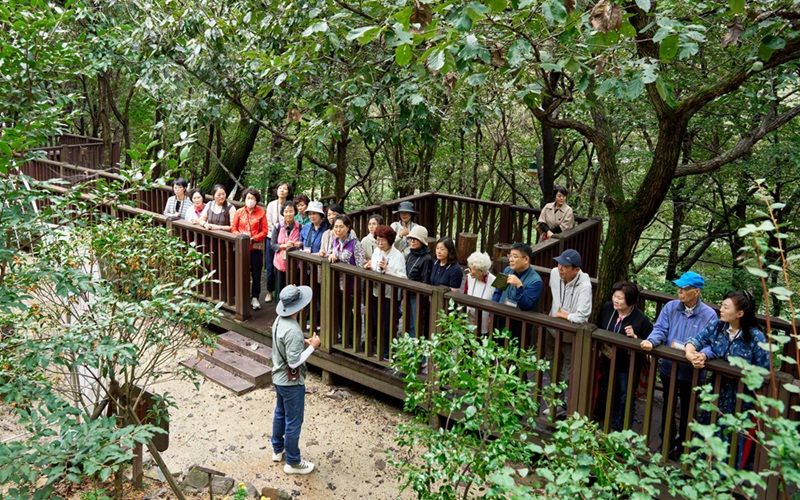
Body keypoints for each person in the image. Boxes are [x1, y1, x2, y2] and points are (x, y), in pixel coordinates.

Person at [685, 290, 770, 469]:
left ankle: (728, 479)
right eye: (722, 305)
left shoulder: (756, 337)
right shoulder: (718, 327)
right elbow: (695, 341)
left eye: (726, 307)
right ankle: (700, 472)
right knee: (706, 431)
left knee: (733, 440)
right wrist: (692, 355)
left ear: (740, 313)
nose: (721, 309)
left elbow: (764, 372)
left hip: (741, 398)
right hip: (716, 392)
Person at [640, 271, 717, 460]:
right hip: (669, 367)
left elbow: (712, 343)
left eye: (684, 289)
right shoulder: (671, 307)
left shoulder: (709, 315)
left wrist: (703, 355)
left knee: (688, 411)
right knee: (668, 406)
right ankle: (665, 443)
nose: (680, 292)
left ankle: (684, 447)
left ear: (696, 291)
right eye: (679, 288)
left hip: (692, 372)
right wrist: (651, 341)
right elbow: (660, 329)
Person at [270, 284, 321, 475]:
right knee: (293, 421)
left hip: (278, 377)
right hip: (291, 382)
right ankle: (293, 461)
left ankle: (277, 449)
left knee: (280, 413)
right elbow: (294, 362)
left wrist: (301, 343)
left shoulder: (279, 321)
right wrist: (313, 347)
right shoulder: (293, 330)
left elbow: (285, 345)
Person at [594, 281, 653, 431]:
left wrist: (635, 337)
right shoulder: (608, 308)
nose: (616, 300)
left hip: (627, 365)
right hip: (607, 359)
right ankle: (602, 422)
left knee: (624, 395)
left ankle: (620, 428)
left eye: (620, 298)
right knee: (606, 389)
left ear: (630, 300)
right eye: (615, 296)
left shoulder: (641, 319)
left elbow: (650, 341)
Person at [367, 225, 407, 359]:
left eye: (382, 240)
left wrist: (388, 270)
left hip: (391, 295)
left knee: (388, 324)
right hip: (376, 292)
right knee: (375, 321)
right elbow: (374, 267)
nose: (379, 243)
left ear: (389, 240)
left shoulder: (398, 256)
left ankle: (388, 351)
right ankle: (377, 348)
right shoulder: (376, 252)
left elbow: (403, 278)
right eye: (378, 240)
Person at [231, 188, 268, 311]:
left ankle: (255, 297)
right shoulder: (239, 212)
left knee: (256, 273)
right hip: (241, 248)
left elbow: (265, 231)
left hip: (255, 248)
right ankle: (242, 296)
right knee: (241, 272)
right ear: (244, 198)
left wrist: (253, 238)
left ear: (256, 200)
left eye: (253, 198)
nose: (250, 200)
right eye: (248, 198)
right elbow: (233, 228)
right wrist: (241, 236)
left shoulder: (261, 212)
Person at [491, 242, 543, 312]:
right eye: (510, 256)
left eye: (515, 257)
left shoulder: (536, 281)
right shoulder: (507, 270)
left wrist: (519, 286)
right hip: (500, 312)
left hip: (518, 317)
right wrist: (493, 309)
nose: (510, 259)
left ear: (526, 259)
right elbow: (498, 291)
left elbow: (525, 306)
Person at [265, 182, 292, 303]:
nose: (282, 190)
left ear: (288, 192)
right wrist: (278, 231)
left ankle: (282, 293)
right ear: (276, 190)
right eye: (280, 188)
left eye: (285, 189)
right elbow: (268, 222)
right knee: (270, 267)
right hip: (271, 238)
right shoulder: (271, 205)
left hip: (286, 241)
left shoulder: (289, 205)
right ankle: (269, 291)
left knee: (283, 267)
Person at [404, 225, 433, 338]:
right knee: (408, 322)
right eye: (411, 238)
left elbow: (426, 280)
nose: (412, 241)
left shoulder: (427, 258)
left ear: (422, 240)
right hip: (407, 292)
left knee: (417, 324)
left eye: (415, 239)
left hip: (418, 296)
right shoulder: (410, 254)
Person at [271, 202, 302, 295]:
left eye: (291, 211)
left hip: (294, 263)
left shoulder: (300, 227)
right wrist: (284, 246)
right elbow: (272, 245)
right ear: (283, 213)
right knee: (280, 288)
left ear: (295, 212)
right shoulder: (278, 226)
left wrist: (298, 244)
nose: (288, 214)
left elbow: (303, 244)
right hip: (280, 263)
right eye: (286, 211)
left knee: (293, 289)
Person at [463, 252, 497, 335]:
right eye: (470, 269)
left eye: (473, 272)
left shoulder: (494, 281)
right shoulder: (469, 277)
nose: (470, 273)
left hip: (485, 321)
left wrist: (491, 319)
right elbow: (465, 294)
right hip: (469, 319)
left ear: (481, 271)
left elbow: (496, 302)